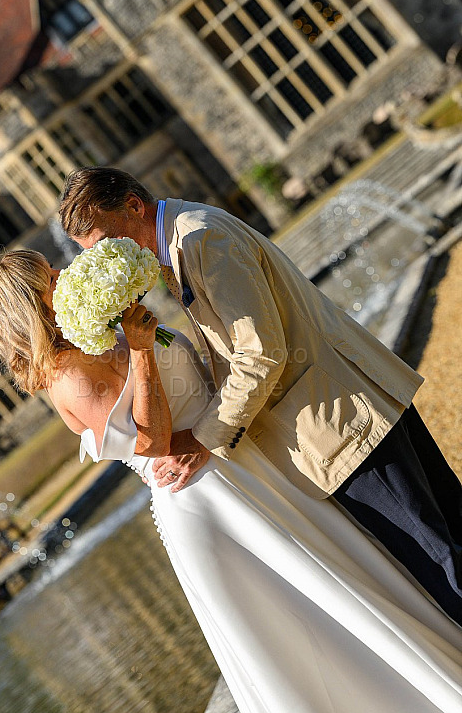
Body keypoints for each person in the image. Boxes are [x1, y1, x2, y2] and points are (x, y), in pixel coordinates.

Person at [0, 248, 462, 713]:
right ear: (29, 305)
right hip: (212, 507)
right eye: (49, 277)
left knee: (355, 585)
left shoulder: (101, 331)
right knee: (313, 642)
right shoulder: (66, 378)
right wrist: (139, 348)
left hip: (246, 466)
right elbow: (150, 441)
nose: (64, 276)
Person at [58, 166, 462, 625]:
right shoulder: (181, 240)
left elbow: (261, 354)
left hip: (341, 423)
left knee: (441, 563)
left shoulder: (200, 239)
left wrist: (204, 437)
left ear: (133, 206)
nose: (105, 258)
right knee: (450, 536)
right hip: (347, 407)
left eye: (106, 241)